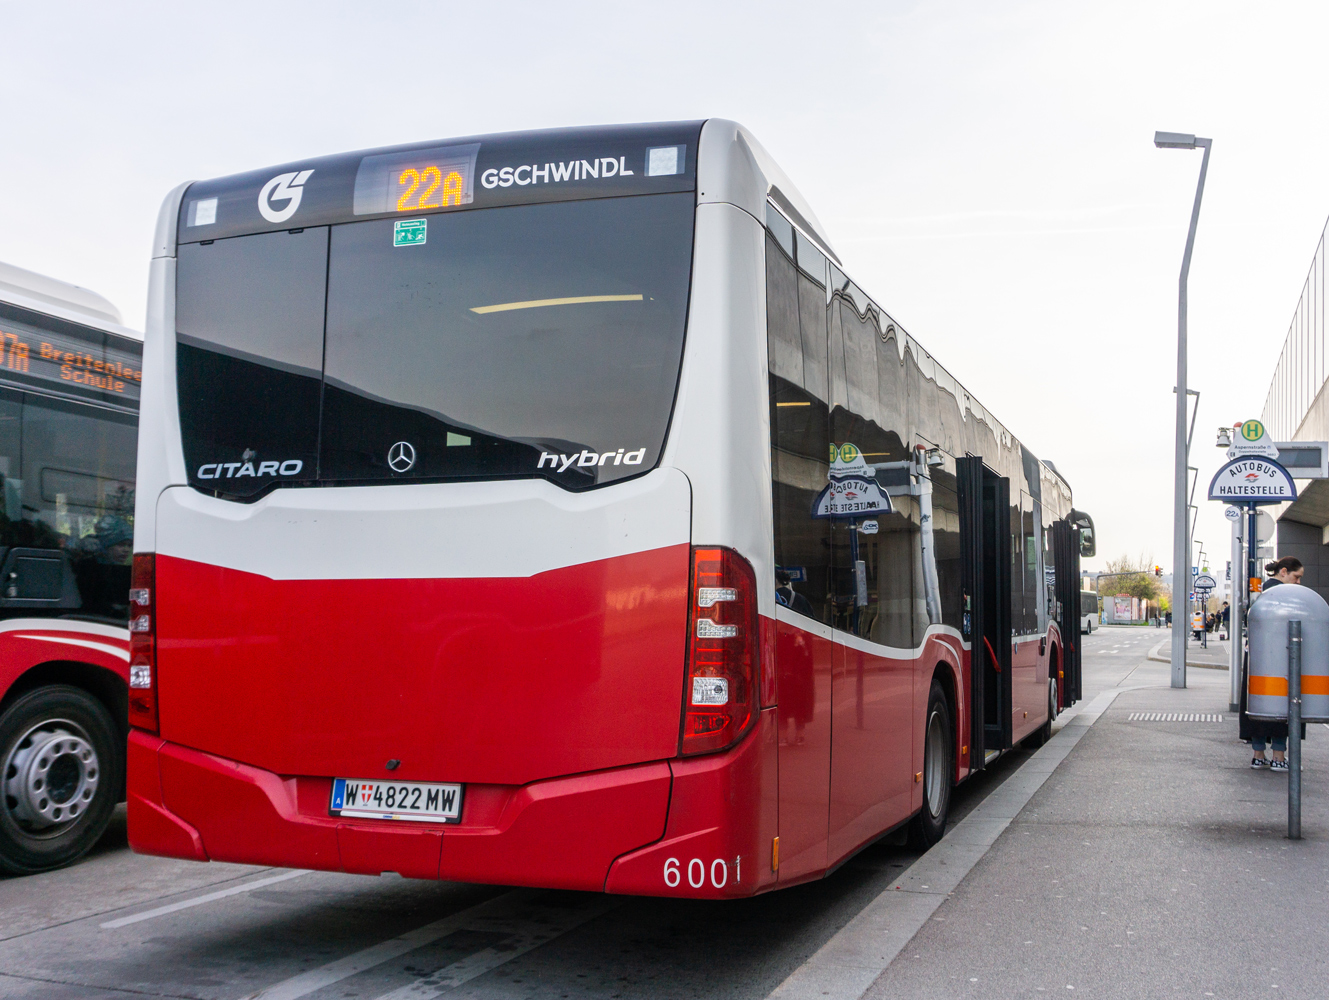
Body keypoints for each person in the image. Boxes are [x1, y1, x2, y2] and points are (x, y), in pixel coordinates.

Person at [1248, 557, 1305, 770]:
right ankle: (1279, 758)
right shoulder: (1283, 595)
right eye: (1296, 577)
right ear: (1283, 572)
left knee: (1260, 705)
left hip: (1258, 659)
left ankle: (1258, 755)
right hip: (1281, 658)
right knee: (1284, 708)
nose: (1298, 582)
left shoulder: (1261, 593)